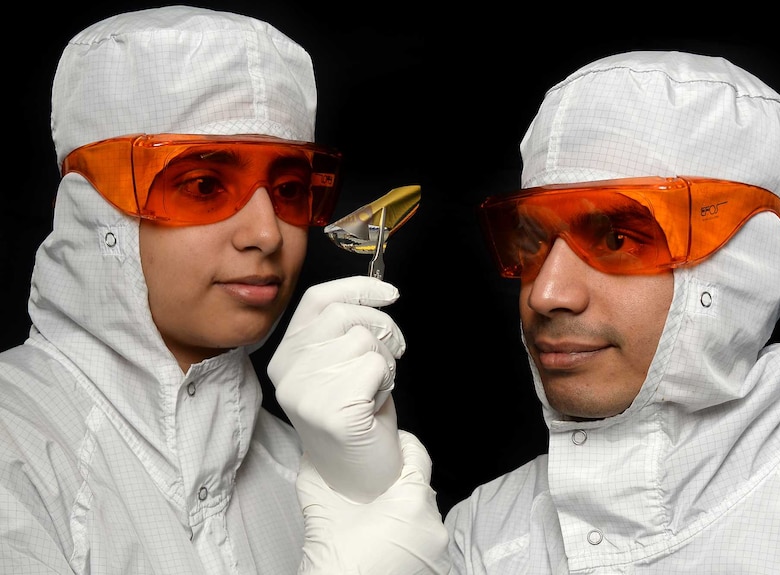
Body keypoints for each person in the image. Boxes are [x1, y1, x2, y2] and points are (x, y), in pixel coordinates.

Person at [0, 6, 448, 574]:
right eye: (205, 184)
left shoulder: (313, 473)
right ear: (94, 206)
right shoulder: (15, 448)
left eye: (289, 187)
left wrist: (368, 492)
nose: (266, 233)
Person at [444, 51, 780, 572]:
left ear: (746, 265)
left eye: (618, 238)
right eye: (532, 239)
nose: (547, 294)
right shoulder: (481, 533)